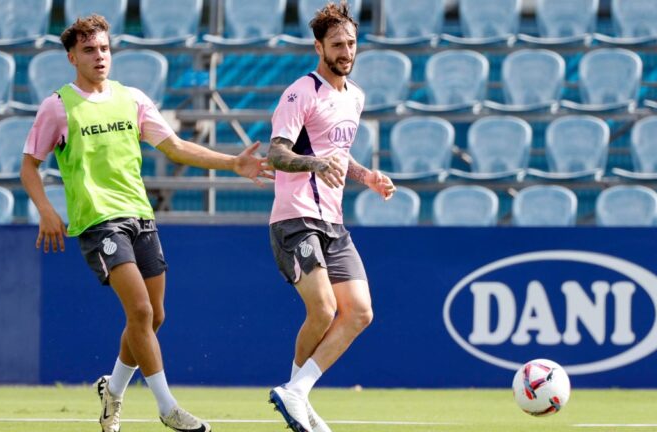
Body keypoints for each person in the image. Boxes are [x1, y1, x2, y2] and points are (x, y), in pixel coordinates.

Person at [20, 14, 272, 432]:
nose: (99, 56)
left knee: (154, 318)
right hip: (98, 222)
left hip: (141, 216)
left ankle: (113, 390)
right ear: (71, 57)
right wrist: (47, 210)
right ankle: (167, 406)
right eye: (89, 50)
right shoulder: (57, 106)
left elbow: (174, 147)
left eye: (104, 48)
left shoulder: (132, 98)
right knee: (138, 309)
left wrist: (233, 163)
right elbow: (30, 166)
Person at [265, 2, 396, 432]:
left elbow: (341, 156)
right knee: (322, 310)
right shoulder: (300, 92)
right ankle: (296, 394)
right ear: (318, 46)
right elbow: (277, 153)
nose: (346, 51)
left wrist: (367, 176)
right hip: (295, 218)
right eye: (337, 44)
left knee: (359, 312)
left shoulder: (354, 96)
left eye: (352, 43)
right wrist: (315, 163)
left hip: (333, 222)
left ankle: (297, 392)